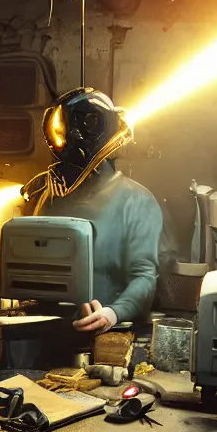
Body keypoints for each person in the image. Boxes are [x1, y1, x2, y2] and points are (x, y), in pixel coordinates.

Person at [21, 87, 165, 334]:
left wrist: (112, 313)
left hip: (106, 340)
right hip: (46, 335)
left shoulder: (137, 202)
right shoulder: (50, 196)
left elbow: (144, 277)